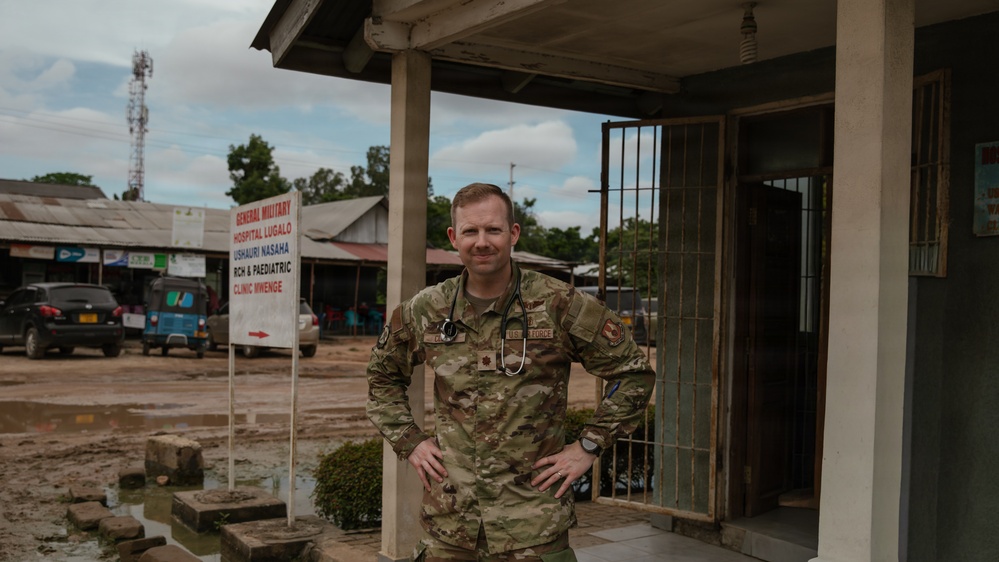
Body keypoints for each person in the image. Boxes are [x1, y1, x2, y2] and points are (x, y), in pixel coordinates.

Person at [366, 183, 655, 562]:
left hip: (532, 524)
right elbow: (382, 376)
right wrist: (411, 441)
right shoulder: (428, 309)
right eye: (470, 231)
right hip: (451, 523)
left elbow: (633, 372)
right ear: (454, 238)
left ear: (513, 233)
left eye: (493, 230)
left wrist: (588, 446)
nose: (482, 242)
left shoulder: (559, 304)